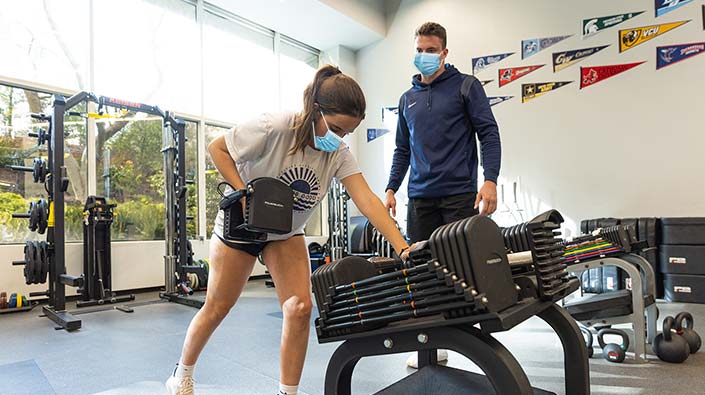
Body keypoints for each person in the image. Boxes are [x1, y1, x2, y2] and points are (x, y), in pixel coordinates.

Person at [165, 65, 417, 395]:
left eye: (347, 132)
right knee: (217, 307)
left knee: (299, 308)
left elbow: (368, 200)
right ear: (316, 110)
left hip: (284, 232)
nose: (340, 138)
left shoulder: (338, 154)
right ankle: (182, 374)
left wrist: (402, 246)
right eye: (337, 128)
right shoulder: (276, 126)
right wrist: (244, 193)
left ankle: (288, 393)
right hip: (242, 225)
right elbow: (218, 148)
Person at [384, 22, 502, 368]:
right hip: (419, 197)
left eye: (431, 49)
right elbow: (401, 150)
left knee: (460, 270)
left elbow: (488, 133)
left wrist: (490, 180)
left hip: (457, 195)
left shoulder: (466, 86)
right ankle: (427, 343)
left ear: (444, 52)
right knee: (420, 271)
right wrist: (391, 188)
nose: (424, 55)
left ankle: (470, 342)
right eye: (419, 49)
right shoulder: (407, 100)